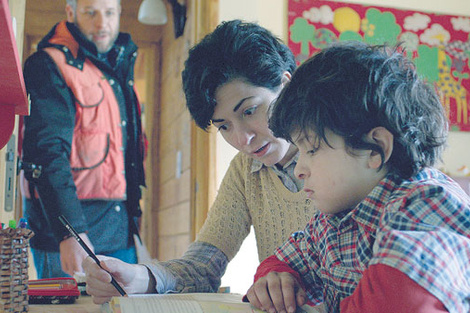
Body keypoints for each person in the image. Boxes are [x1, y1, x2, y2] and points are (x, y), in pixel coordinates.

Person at [82, 20, 316, 303]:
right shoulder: (246, 171)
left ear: (286, 84)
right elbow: (204, 264)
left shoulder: (341, 149)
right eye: (224, 126)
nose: (243, 139)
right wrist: (141, 277)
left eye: (250, 111)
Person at [245, 41, 470, 313]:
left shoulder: (424, 204)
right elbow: (284, 261)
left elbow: (400, 301)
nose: (299, 169)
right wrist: (276, 281)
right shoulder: (331, 222)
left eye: (312, 149)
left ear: (376, 148)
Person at [21, 0, 146, 279]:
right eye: (91, 13)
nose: (102, 23)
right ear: (71, 13)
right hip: (68, 237)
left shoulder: (113, 69)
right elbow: (46, 152)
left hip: (120, 233)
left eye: (110, 13)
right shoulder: (48, 65)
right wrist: (71, 232)